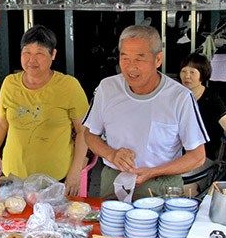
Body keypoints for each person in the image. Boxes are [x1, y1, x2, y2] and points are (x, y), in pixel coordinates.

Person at [84, 25, 207, 199]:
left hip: (161, 185)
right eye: (124, 58)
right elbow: (90, 134)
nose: (130, 67)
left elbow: (197, 157)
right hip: (114, 180)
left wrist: (152, 172)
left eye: (139, 59)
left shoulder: (180, 97)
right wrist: (112, 154)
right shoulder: (107, 88)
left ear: (158, 60)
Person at [0, 25, 89, 195]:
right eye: (27, 52)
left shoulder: (68, 86)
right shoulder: (9, 83)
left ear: (53, 54)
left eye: (39, 53)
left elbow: (83, 131)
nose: (32, 59)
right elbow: (2, 124)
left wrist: (75, 172)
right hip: (13, 177)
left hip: (55, 179)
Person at [179, 53, 226, 160]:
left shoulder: (211, 98)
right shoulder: (176, 95)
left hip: (204, 156)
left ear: (202, 75)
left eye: (192, 72)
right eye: (184, 71)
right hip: (178, 154)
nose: (187, 76)